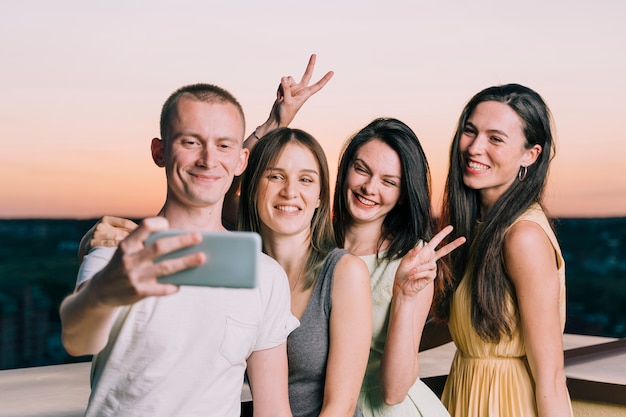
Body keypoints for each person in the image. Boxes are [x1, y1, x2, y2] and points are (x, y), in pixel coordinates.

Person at [59, 83, 299, 417]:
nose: (208, 159)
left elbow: (273, 408)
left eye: (224, 145)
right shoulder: (117, 253)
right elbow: (77, 338)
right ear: (160, 152)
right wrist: (105, 293)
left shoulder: (265, 274)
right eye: (190, 142)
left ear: (241, 159)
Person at [433, 84, 573, 416]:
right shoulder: (474, 227)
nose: (475, 147)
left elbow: (551, 377)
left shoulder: (523, 236)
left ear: (531, 154)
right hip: (463, 393)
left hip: (508, 404)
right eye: (470, 131)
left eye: (495, 138)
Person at [332, 118, 465, 417]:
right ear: (345, 169)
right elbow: (236, 208)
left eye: (389, 182)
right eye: (361, 169)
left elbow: (394, 391)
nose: (369, 187)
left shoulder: (412, 261)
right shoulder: (314, 245)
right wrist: (274, 124)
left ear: (404, 193)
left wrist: (404, 296)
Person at [238, 127, 372, 417]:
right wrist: (275, 121)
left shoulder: (345, 273)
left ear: (321, 196)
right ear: (251, 187)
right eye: (276, 176)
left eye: (306, 180)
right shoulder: (240, 273)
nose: (290, 191)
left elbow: (341, 406)